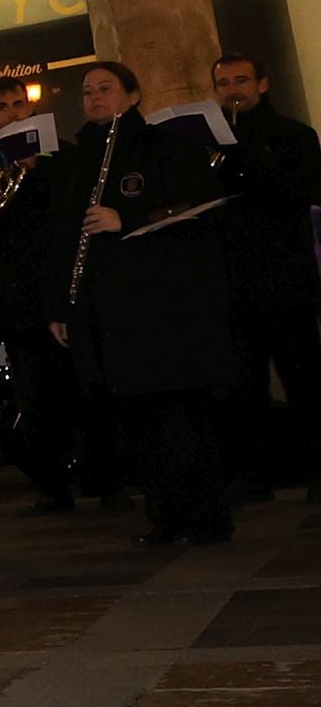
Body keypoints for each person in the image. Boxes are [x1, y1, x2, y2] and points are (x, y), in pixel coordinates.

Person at [48, 61, 234, 546]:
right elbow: (61, 238)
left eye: (106, 89)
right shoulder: (77, 159)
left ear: (132, 95)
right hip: (104, 310)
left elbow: (200, 206)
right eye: (88, 91)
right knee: (136, 421)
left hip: (161, 307)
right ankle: (165, 514)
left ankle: (207, 516)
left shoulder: (166, 147)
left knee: (181, 417)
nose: (94, 98)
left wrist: (124, 216)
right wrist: (61, 306)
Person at [0, 77, 86, 517]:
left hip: (63, 294)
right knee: (35, 399)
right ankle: (52, 486)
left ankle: (100, 477)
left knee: (81, 389)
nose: (12, 112)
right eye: (2, 106)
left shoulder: (63, 156)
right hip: (15, 301)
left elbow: (68, 219)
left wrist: (38, 172)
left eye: (19, 105)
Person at [211, 54, 321, 503]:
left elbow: (299, 193)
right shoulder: (210, 146)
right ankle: (254, 476)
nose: (232, 89)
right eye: (223, 83)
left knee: (304, 379)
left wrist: (249, 153)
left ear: (263, 84)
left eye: (241, 80)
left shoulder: (294, 135)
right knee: (244, 385)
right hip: (234, 282)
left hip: (285, 276)